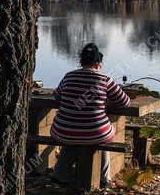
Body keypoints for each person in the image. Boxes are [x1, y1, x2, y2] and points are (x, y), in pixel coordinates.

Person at [50, 43, 131, 187]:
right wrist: (105, 103)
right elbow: (125, 102)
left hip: (61, 131)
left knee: (75, 129)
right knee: (103, 133)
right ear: (98, 63)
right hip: (93, 134)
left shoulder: (69, 76)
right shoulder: (105, 79)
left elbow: (57, 96)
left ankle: (60, 174)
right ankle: (103, 178)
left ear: (81, 62)